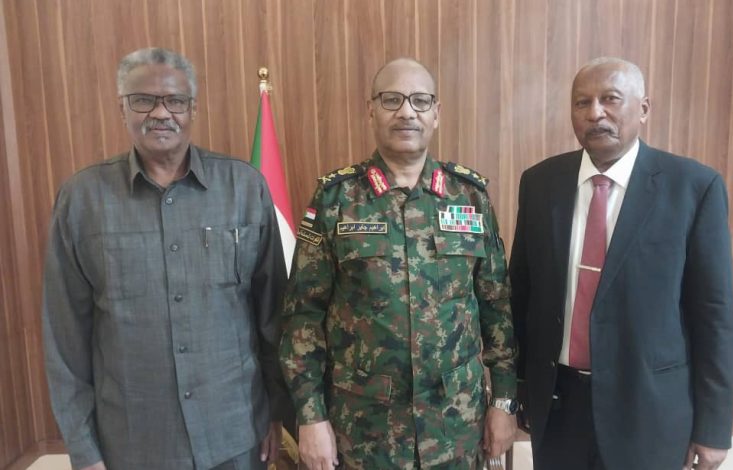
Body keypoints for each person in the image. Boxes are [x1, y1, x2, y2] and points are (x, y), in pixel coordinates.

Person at [42, 47, 288, 470]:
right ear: (122, 108)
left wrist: (277, 411)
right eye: (144, 100)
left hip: (235, 435)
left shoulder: (244, 188)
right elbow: (65, 340)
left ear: (192, 109)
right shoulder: (81, 201)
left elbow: (272, 315)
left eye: (175, 100)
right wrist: (83, 450)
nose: (161, 113)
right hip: (135, 444)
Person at [279, 58, 518, 469]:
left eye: (420, 101)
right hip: (364, 431)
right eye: (392, 100)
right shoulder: (337, 198)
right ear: (371, 110)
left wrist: (504, 400)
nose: (407, 112)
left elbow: (496, 307)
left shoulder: (469, 197)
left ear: (436, 113)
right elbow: (303, 315)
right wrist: (310, 416)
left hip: (455, 427)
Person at [509, 56, 733, 470]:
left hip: (649, 408)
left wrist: (714, 426)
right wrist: (519, 386)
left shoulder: (693, 188)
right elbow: (522, 293)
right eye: (582, 102)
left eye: (610, 99)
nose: (595, 113)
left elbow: (714, 314)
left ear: (643, 109)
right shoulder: (540, 183)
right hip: (559, 405)